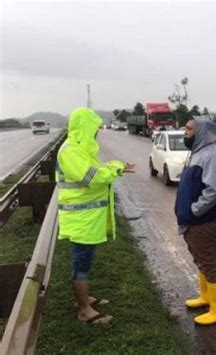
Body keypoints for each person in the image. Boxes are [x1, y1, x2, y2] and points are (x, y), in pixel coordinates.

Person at [56, 108, 135, 325]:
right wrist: (117, 168)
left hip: (88, 218)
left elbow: (96, 170)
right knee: (80, 265)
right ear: (84, 128)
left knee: (85, 261)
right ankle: (84, 310)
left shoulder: (82, 149)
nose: (97, 132)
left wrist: (117, 167)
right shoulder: (70, 150)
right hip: (81, 220)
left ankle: (85, 299)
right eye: (94, 128)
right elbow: (94, 177)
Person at [175, 116, 216, 325]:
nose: (185, 132)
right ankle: (206, 297)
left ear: (201, 132)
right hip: (195, 220)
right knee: (200, 259)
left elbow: (215, 190)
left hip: (207, 220)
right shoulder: (196, 153)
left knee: (209, 262)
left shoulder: (212, 156)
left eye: (188, 129)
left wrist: (195, 210)